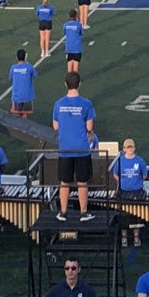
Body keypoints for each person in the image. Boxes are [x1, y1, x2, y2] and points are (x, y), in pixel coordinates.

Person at [53, 72, 97, 222]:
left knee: (64, 182)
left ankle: (63, 212)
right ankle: (83, 213)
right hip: (81, 149)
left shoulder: (58, 104)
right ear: (80, 84)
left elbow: (55, 126)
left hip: (65, 149)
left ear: (65, 84)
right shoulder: (86, 104)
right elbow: (89, 127)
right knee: (82, 182)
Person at [113, 138, 147, 246]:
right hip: (123, 192)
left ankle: (136, 237)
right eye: (127, 147)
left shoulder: (140, 161)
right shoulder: (120, 161)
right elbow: (115, 174)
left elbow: (144, 175)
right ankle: (124, 237)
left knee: (136, 215)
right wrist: (123, 182)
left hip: (137, 191)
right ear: (124, 149)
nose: (130, 149)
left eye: (131, 147)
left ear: (134, 148)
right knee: (123, 216)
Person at [3, 49, 39, 118]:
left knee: (16, 115)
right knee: (25, 115)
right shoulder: (29, 66)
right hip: (27, 96)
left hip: (17, 96)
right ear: (25, 57)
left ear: (17, 57)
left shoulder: (13, 67)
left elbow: (10, 78)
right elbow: (36, 75)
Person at [64, 9, 85, 74]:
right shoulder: (79, 25)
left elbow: (65, 33)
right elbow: (81, 33)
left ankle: (69, 81)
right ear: (76, 16)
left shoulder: (65, 25)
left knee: (69, 70)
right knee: (75, 71)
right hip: (77, 49)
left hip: (69, 48)